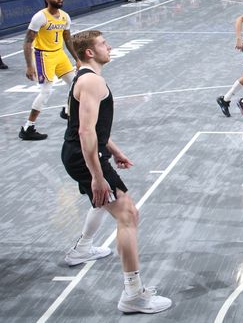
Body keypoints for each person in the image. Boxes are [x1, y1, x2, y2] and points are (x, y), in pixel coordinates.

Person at [61, 30, 171, 314]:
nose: (109, 47)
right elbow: (85, 131)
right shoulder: (92, 81)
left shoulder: (84, 79)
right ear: (89, 52)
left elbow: (89, 126)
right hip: (85, 156)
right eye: (102, 44)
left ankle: (83, 249)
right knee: (128, 215)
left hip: (81, 153)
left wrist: (115, 150)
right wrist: (98, 176)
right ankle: (133, 295)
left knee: (102, 203)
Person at [20, 0, 79, 140]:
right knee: (46, 91)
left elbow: (67, 39)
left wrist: (77, 58)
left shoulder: (65, 16)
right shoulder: (40, 17)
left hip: (59, 54)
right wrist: (29, 65)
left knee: (75, 85)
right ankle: (28, 127)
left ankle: (67, 111)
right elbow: (27, 41)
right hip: (43, 55)